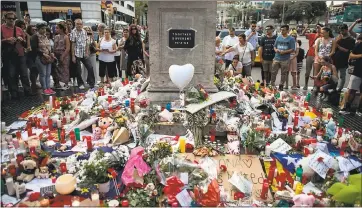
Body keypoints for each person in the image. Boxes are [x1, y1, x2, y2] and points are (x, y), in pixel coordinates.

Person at [1, 12, 33, 99]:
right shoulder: (1, 28)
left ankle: (27, 91)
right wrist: (6, 40)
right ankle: (14, 92)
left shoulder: (19, 29)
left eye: (13, 19)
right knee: (11, 74)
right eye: (9, 18)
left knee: (24, 74)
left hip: (20, 54)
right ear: (5, 19)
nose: (11, 20)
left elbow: (26, 44)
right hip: (9, 55)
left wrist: (21, 40)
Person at [31, 23, 56, 95]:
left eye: (44, 28)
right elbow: (34, 48)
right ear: (38, 29)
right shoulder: (35, 37)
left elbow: (49, 46)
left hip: (48, 57)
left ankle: (48, 88)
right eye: (42, 29)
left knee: (48, 74)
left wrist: (51, 53)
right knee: (43, 74)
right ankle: (44, 89)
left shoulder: (45, 36)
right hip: (40, 57)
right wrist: (43, 54)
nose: (44, 30)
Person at [339, 35, 362, 115]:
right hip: (358, 71)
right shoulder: (360, 45)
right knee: (351, 90)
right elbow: (351, 56)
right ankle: (346, 108)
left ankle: (359, 109)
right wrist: (360, 55)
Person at [70, 19, 95, 89]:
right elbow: (73, 44)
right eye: (77, 24)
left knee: (90, 67)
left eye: (80, 24)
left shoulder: (84, 31)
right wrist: (73, 56)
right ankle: (80, 83)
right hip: (77, 53)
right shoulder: (73, 32)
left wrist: (87, 52)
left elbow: (86, 42)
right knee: (78, 70)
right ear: (75, 24)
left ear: (82, 24)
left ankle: (91, 82)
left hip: (84, 53)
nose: (79, 25)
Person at [271, 25, 296, 90]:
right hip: (276, 58)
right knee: (273, 72)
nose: (282, 31)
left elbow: (292, 49)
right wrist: (276, 50)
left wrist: (284, 52)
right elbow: (275, 46)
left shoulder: (291, 39)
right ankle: (272, 84)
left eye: (283, 30)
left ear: (287, 30)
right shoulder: (278, 37)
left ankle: (281, 85)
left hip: (285, 59)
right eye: (281, 30)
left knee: (283, 73)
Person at [333, 24, 356, 92]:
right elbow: (333, 48)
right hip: (335, 59)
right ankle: (334, 87)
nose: (341, 31)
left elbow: (348, 51)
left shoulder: (351, 40)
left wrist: (339, 46)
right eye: (340, 30)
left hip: (344, 60)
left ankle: (339, 89)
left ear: (346, 30)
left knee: (342, 76)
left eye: (343, 30)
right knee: (334, 75)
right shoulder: (338, 38)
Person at [314, 27, 336, 92]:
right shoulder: (319, 39)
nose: (321, 34)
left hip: (327, 59)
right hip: (319, 58)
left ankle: (323, 87)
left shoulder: (333, 40)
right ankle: (316, 87)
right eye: (321, 33)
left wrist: (327, 57)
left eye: (323, 33)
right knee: (317, 73)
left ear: (328, 32)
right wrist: (318, 57)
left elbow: (333, 51)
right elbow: (316, 50)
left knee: (326, 74)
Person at [302, 24, 323, 90]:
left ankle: (315, 86)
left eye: (319, 27)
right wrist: (306, 27)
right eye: (317, 27)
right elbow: (303, 33)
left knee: (316, 72)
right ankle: (306, 84)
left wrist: (320, 29)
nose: (317, 28)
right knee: (307, 72)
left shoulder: (323, 36)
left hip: (318, 56)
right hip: (310, 55)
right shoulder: (312, 35)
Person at [54, 23, 70, 90]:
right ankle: (59, 83)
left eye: (57, 28)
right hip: (56, 54)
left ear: (61, 29)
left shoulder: (65, 37)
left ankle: (66, 84)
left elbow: (68, 48)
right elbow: (54, 47)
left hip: (64, 55)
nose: (56, 29)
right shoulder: (56, 36)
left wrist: (63, 56)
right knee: (58, 69)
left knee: (65, 69)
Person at [26, 25, 39, 92]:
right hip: (29, 56)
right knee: (33, 69)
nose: (34, 31)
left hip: (35, 55)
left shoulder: (36, 36)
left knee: (36, 70)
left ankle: (34, 83)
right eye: (33, 30)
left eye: (35, 29)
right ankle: (33, 84)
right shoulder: (27, 36)